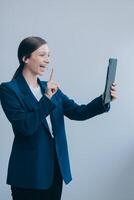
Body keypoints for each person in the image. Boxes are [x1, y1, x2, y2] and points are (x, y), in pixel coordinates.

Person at [0, 36, 117, 200]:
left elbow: (78, 112)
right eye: (42, 55)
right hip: (28, 175)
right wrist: (46, 99)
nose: (47, 60)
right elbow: (25, 127)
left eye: (49, 55)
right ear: (25, 58)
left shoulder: (49, 87)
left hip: (55, 172)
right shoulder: (9, 90)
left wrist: (104, 99)